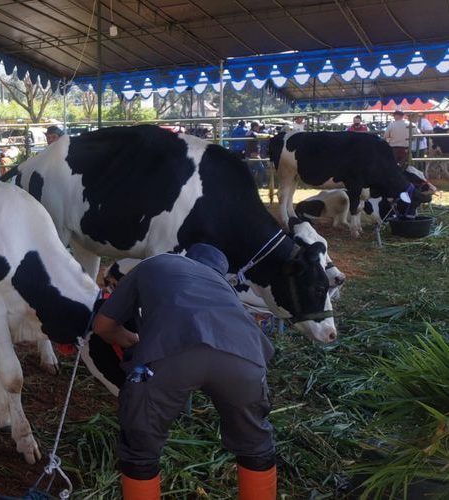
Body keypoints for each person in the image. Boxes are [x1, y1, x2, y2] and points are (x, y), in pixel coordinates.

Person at [93, 244, 276, 500]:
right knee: (256, 445)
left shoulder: (157, 263)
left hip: (168, 357)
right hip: (245, 360)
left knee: (140, 447)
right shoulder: (224, 288)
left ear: (188, 258)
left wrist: (134, 340)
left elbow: (103, 326)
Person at [245, 122, 268, 187]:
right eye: (258, 126)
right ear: (254, 127)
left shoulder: (248, 132)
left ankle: (250, 185)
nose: (259, 128)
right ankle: (260, 184)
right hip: (254, 154)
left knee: (251, 171)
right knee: (261, 169)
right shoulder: (253, 133)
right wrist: (270, 136)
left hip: (248, 154)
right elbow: (259, 136)